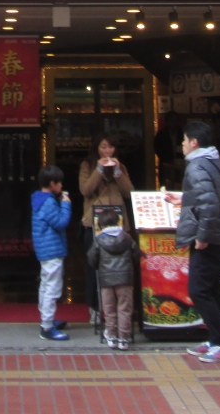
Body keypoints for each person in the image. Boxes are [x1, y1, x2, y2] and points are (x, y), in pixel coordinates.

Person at [176, 120, 220, 364]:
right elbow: (211, 197)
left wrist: (202, 237)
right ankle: (215, 339)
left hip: (209, 238)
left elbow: (209, 204)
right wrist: (182, 199)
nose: (182, 144)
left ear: (194, 142)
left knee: (198, 290)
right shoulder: (214, 161)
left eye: (184, 140)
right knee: (212, 288)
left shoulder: (197, 166)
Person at [79, 135, 134, 329]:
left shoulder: (121, 167)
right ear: (97, 149)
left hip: (118, 221)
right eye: (104, 147)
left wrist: (117, 172)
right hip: (94, 221)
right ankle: (94, 307)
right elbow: (85, 190)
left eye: (111, 147)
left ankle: (120, 311)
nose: (108, 151)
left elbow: (129, 193)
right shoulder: (87, 165)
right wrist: (99, 170)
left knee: (120, 267)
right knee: (94, 266)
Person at [86, 208, 137, 350]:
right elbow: (136, 255)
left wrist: (99, 266)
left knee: (109, 309)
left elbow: (91, 258)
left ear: (101, 224)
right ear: (117, 221)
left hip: (106, 280)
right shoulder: (127, 238)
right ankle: (124, 338)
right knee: (124, 308)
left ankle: (112, 336)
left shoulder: (99, 240)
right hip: (125, 279)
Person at [31, 165, 72, 342]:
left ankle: (46, 320)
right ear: (52, 184)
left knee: (45, 285)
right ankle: (47, 327)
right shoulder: (48, 202)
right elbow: (61, 222)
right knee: (52, 288)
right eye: (59, 182)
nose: (61, 185)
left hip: (45, 250)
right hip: (52, 250)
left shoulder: (38, 199)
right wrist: (66, 204)